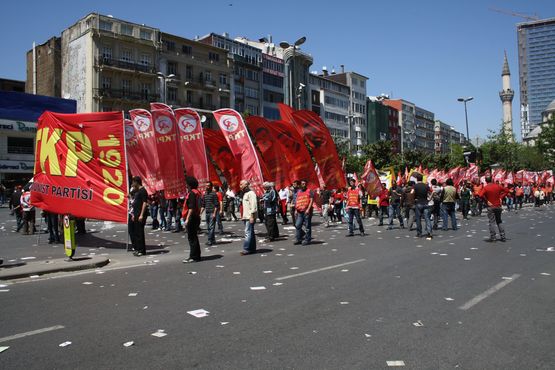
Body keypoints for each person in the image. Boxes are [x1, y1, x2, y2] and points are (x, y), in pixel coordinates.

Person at [479, 176, 508, 242]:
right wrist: (501, 197)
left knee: (492, 222)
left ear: (486, 181)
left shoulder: (486, 188)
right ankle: (503, 236)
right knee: (499, 221)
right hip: (498, 206)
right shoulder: (498, 186)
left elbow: (480, 195)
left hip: (491, 206)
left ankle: (493, 237)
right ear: (492, 180)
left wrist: (486, 201)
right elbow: (507, 190)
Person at [182, 176, 202, 263]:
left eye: (186, 184)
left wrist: (187, 218)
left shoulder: (192, 194)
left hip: (192, 217)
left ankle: (193, 256)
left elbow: (191, 207)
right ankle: (197, 255)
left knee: (192, 238)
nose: (185, 185)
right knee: (194, 237)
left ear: (189, 184)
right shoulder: (197, 192)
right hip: (196, 216)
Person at [129, 176, 148, 256]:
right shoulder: (137, 191)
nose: (133, 184)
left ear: (137, 182)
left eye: (133, 182)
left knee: (140, 233)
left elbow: (144, 203)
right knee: (136, 232)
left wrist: (141, 215)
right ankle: (138, 248)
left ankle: (142, 250)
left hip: (140, 214)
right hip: (136, 214)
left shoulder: (143, 191)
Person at [240, 179, 257, 255]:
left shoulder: (251, 193)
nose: (240, 186)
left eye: (241, 184)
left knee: (248, 233)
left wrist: (252, 216)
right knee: (251, 232)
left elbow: (253, 206)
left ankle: (246, 248)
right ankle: (252, 248)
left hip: (249, 216)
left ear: (246, 185)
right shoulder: (245, 194)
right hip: (246, 216)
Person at [413, 174, 433, 239]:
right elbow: (432, 192)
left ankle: (419, 233)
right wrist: (430, 199)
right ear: (422, 179)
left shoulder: (415, 186)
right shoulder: (426, 186)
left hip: (418, 203)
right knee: (427, 218)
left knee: (418, 219)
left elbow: (412, 193)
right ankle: (429, 232)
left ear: (416, 179)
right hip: (426, 203)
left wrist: (414, 199)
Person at [294, 180, 314, 245]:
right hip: (299, 211)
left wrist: (308, 209)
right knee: (297, 225)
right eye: (302, 184)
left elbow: (311, 200)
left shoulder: (309, 191)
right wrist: (296, 210)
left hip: (306, 212)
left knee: (307, 226)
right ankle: (298, 239)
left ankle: (307, 239)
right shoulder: (299, 192)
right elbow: (297, 201)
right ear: (300, 185)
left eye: (305, 183)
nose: (304, 185)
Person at [201, 182, 219, 246]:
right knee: (208, 227)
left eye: (208, 186)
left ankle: (209, 240)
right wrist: (200, 213)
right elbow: (203, 205)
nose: (207, 187)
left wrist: (214, 213)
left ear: (211, 187)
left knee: (211, 227)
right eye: (206, 185)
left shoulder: (214, 194)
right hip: (207, 212)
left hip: (212, 212)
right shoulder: (205, 194)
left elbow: (217, 205)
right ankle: (213, 240)